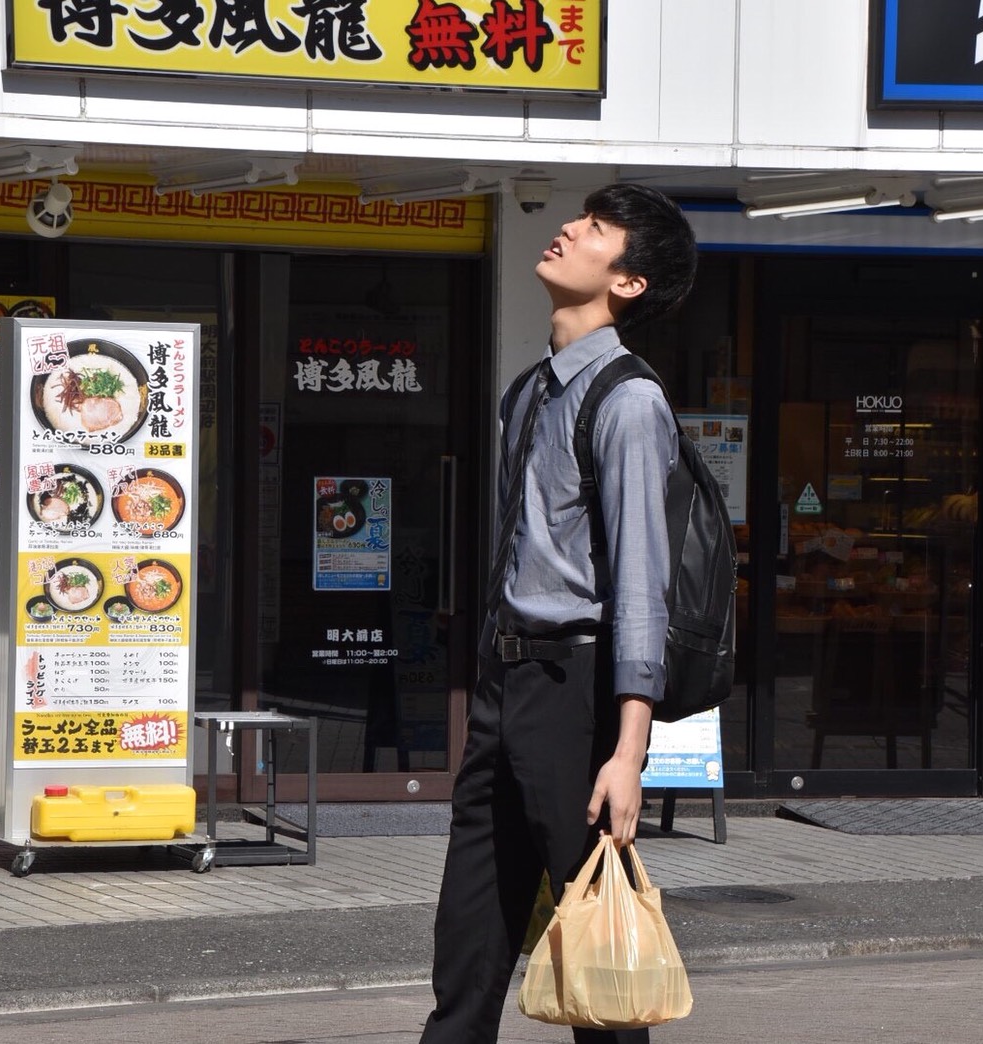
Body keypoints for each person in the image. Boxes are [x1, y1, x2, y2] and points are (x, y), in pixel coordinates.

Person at [419, 184, 697, 1044]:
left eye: (596, 228)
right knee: (470, 932)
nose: (569, 229)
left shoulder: (628, 400)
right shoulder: (529, 391)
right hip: (504, 678)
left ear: (628, 282)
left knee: (596, 943)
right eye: (581, 218)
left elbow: (642, 583)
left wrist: (627, 754)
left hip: (576, 687)